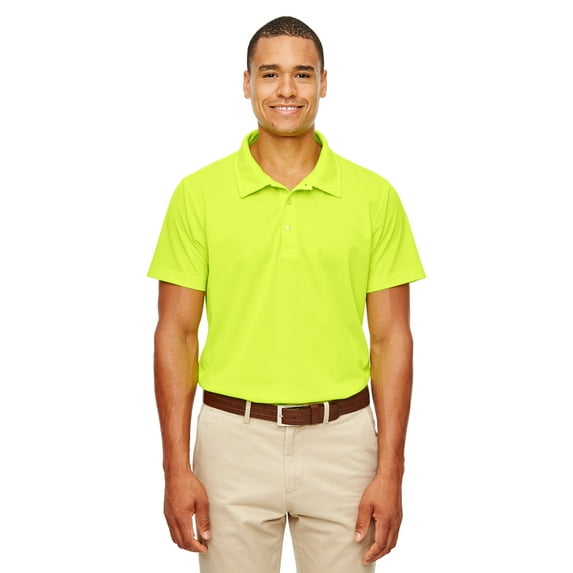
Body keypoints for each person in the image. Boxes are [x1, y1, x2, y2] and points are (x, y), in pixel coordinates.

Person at [148, 15, 425, 573]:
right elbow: (176, 334)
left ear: (323, 82)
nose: (286, 90)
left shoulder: (374, 197)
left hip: (344, 442)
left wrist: (391, 470)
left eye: (302, 74)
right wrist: (176, 468)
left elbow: (392, 339)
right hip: (231, 443)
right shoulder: (198, 195)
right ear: (246, 82)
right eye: (270, 73)